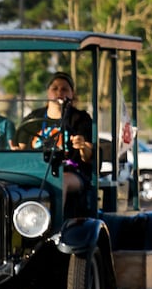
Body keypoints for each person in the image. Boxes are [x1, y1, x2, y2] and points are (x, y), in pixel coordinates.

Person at [16, 72, 95, 212]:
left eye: (64, 89)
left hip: (71, 171)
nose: (59, 92)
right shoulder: (34, 117)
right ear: (48, 93)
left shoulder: (80, 118)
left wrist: (82, 146)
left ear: (72, 93)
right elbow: (19, 150)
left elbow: (87, 156)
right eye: (55, 88)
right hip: (36, 170)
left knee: (59, 181)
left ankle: (54, 229)